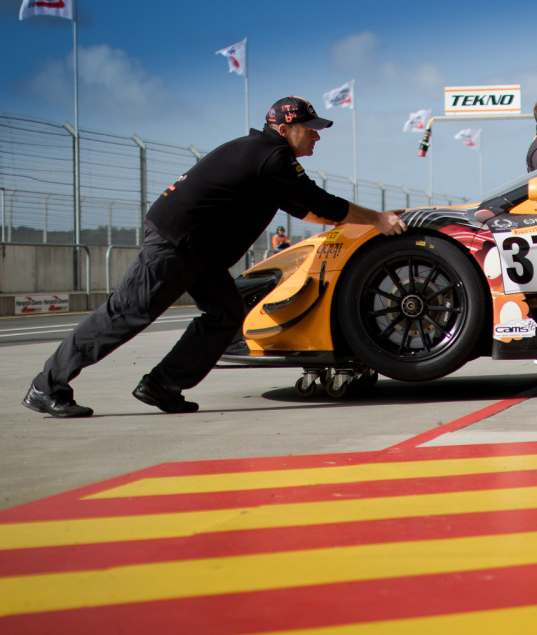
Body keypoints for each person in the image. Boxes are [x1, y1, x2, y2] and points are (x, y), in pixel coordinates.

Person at [22, 96, 405, 418]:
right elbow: (320, 203)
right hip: (176, 243)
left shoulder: (264, 155)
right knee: (124, 314)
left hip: (199, 251)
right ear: (285, 128)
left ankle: (162, 384)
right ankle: (47, 386)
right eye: (311, 128)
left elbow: (306, 210)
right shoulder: (271, 157)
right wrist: (378, 219)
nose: (317, 135)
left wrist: (368, 221)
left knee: (226, 314)